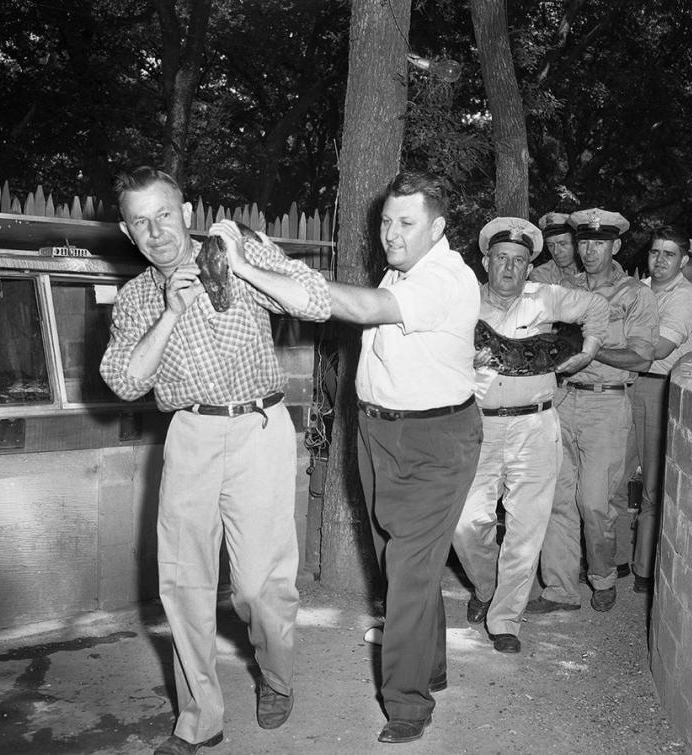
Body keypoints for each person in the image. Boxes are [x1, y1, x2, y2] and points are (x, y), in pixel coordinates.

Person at [99, 167, 331, 755]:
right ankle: (199, 719)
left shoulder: (232, 249)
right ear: (128, 233)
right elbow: (125, 382)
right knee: (183, 584)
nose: (155, 232)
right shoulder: (134, 299)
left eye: (164, 215)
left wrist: (248, 263)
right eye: (140, 222)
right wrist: (170, 313)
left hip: (259, 427)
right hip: (191, 434)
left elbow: (317, 300)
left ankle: (276, 679)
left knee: (259, 587)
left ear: (186, 212)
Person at [321, 170, 482, 744]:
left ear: (437, 227)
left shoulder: (442, 277)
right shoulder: (404, 264)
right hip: (376, 432)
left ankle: (407, 703)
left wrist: (297, 286)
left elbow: (365, 310)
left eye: (405, 223)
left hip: (434, 441)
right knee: (402, 560)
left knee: (408, 573)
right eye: (386, 220)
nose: (390, 232)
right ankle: (430, 666)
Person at [452, 217, 608, 655]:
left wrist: (588, 351)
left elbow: (597, 308)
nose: (510, 268)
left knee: (527, 526)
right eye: (501, 258)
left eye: (520, 261)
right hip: (478, 425)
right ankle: (486, 586)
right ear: (486, 261)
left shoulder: (546, 297)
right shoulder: (462, 302)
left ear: (528, 266)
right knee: (465, 523)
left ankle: (506, 619)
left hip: (536, 426)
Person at [528, 208, 658, 615]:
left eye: (598, 243)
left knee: (595, 502)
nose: (588, 250)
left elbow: (641, 358)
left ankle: (602, 576)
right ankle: (561, 588)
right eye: (584, 242)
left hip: (607, 402)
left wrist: (592, 349)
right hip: (562, 399)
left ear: (615, 246)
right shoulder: (564, 287)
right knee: (556, 498)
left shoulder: (636, 294)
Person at [611, 226, 692, 593]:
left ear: (684, 260)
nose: (660, 260)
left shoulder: (685, 298)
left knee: (651, 485)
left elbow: (658, 349)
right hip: (628, 384)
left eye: (669, 254)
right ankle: (617, 557)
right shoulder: (640, 290)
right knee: (615, 478)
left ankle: (645, 569)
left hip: (657, 388)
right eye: (654, 252)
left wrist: (603, 347)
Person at [529, 212, 581, 285]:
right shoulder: (541, 274)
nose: (556, 252)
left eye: (562, 244)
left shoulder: (592, 268)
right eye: (550, 245)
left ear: (576, 244)